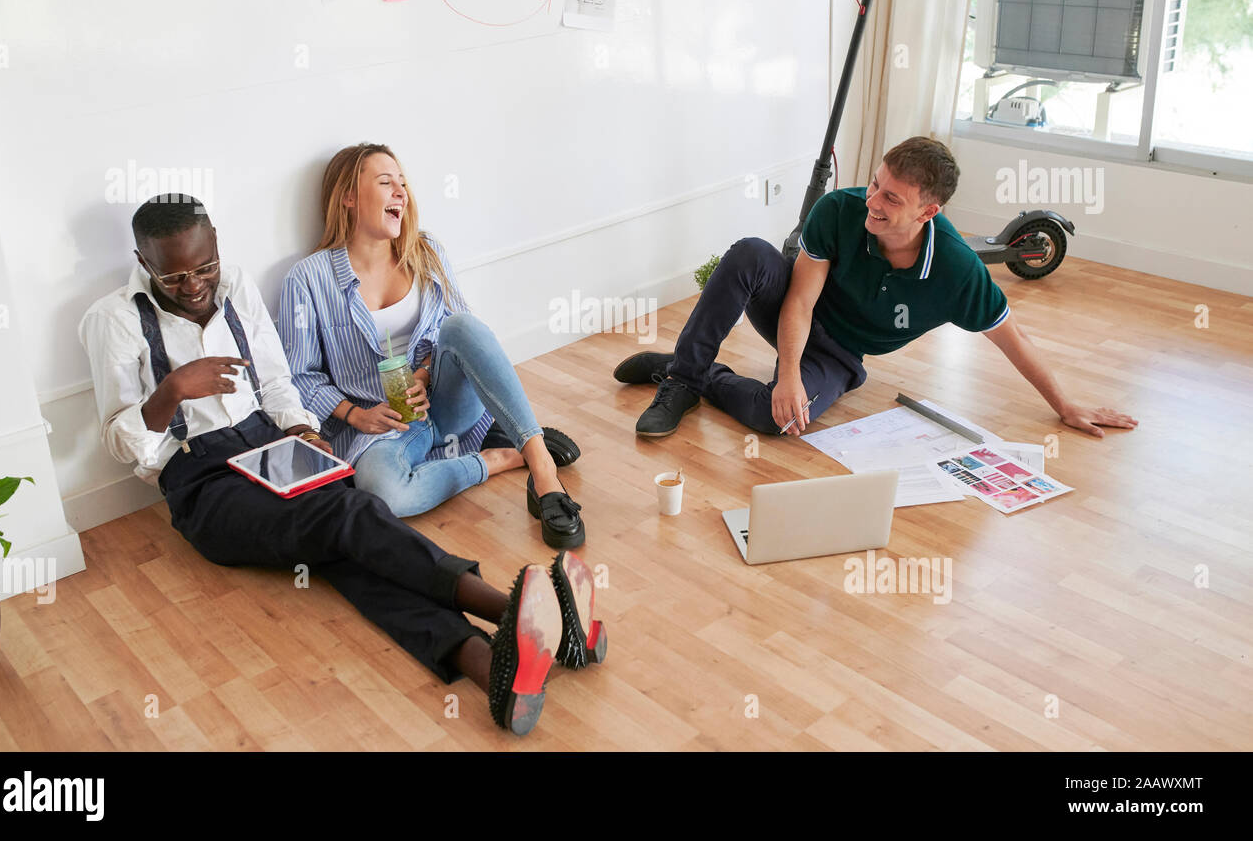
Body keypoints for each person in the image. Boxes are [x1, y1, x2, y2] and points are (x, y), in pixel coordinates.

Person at [78, 194, 606, 736]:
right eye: (174, 276)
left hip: (272, 444)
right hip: (201, 479)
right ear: (144, 264)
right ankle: (514, 610)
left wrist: (303, 430)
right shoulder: (114, 320)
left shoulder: (235, 286)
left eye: (204, 266)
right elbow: (124, 445)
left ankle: (489, 668)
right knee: (347, 520)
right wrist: (171, 391)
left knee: (351, 552)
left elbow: (278, 383)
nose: (193, 285)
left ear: (216, 243)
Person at [616, 136, 1139, 440]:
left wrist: (1065, 404)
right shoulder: (839, 210)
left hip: (842, 356)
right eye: (874, 184)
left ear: (928, 212)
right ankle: (681, 380)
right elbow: (798, 299)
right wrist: (788, 372)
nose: (872, 201)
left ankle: (696, 372)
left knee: (773, 421)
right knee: (753, 252)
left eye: (891, 198)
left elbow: (1013, 337)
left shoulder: (957, 271)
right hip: (799, 314)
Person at [277, 143, 587, 548]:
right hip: (387, 428)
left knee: (463, 325)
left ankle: (543, 470)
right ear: (349, 197)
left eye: (402, 183)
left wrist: (423, 373)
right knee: (382, 492)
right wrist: (356, 416)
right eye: (386, 182)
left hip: (447, 402)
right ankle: (503, 456)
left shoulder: (425, 251)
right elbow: (300, 374)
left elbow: (454, 335)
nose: (401, 193)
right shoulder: (307, 279)